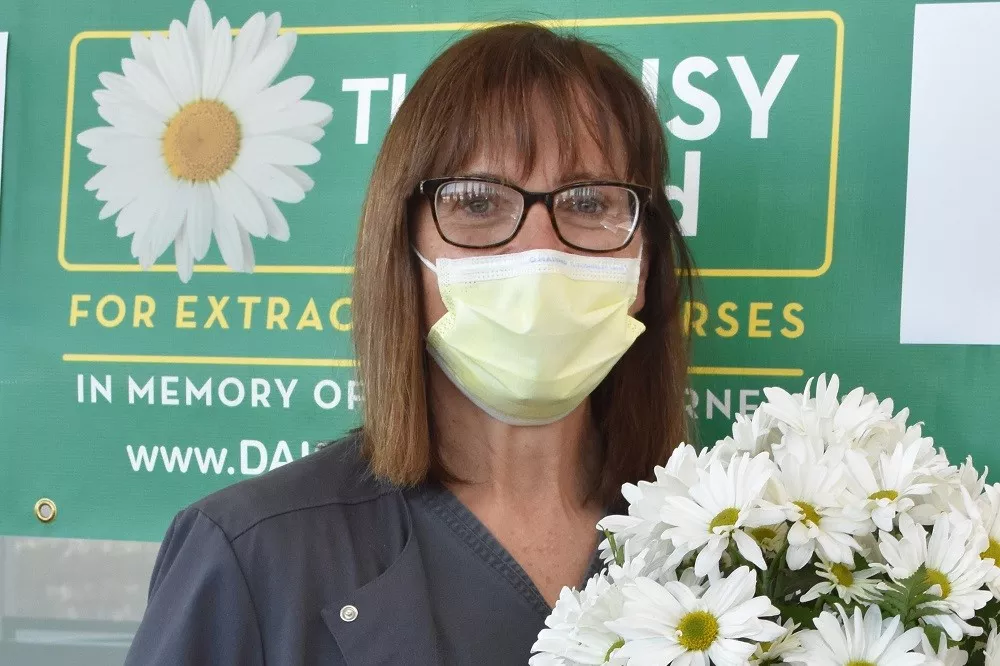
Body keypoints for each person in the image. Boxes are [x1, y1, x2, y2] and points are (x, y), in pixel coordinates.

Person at [124, 20, 695, 666]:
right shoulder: (251, 557)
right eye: (477, 202)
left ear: (643, 266)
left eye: (590, 203)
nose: (538, 252)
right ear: (404, 250)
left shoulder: (720, 547)